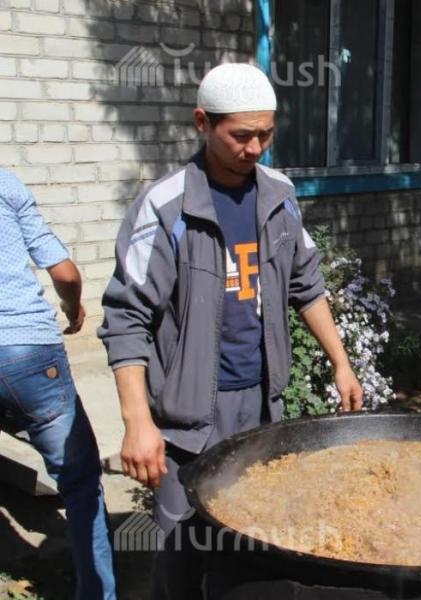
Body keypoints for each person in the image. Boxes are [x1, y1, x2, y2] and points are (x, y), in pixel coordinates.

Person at [98, 63, 363, 598]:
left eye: (266, 133)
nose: (255, 147)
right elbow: (126, 318)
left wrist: (341, 361)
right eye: (241, 135)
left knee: (256, 541)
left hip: (263, 407)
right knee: (182, 549)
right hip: (189, 419)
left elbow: (306, 285)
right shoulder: (166, 206)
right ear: (203, 122)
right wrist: (137, 422)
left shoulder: (278, 195)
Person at [0, 168, 116, 599]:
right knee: (80, 482)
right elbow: (65, 274)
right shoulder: (5, 184)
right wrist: (74, 309)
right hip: (28, 350)